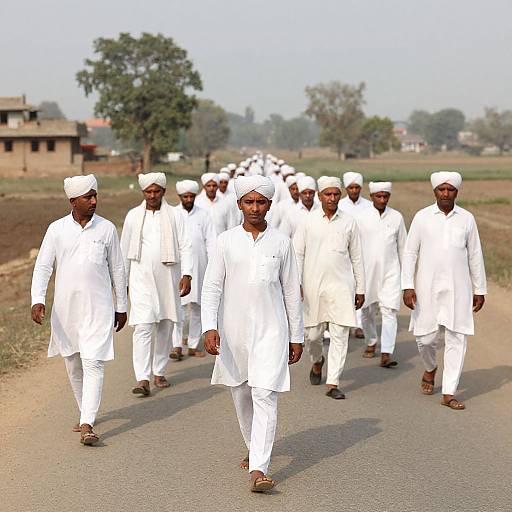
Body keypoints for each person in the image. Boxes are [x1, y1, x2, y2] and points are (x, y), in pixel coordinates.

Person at [201, 175, 303, 493]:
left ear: (270, 205)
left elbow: (291, 293)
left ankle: (259, 468)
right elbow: (212, 286)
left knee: (264, 395)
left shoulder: (282, 243)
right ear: (240, 204)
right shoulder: (226, 241)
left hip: (272, 332)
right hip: (233, 333)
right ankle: (253, 446)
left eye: (261, 202)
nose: (255, 207)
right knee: (242, 393)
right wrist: (209, 327)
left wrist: (296, 336)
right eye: (249, 201)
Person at [31, 174, 127, 445]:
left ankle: (87, 423)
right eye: (88, 197)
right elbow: (43, 266)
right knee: (73, 362)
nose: (94, 201)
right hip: (66, 310)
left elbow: (117, 269)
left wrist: (122, 305)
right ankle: (85, 410)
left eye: (95, 195)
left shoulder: (107, 229)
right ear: (73, 200)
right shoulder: (57, 229)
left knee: (93, 362)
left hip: (99, 309)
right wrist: (37, 299)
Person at [402, 171, 487, 410]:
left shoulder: (467, 219)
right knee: (425, 338)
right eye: (442, 189)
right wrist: (407, 285)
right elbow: (410, 253)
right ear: (435, 191)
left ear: (457, 192)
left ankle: (449, 392)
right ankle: (430, 368)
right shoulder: (422, 217)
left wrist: (480, 288)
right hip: (426, 286)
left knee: (457, 337)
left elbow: (475, 255)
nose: (446, 193)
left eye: (450, 190)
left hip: (458, 287)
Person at [120, 172, 193, 396]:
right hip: (140, 277)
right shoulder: (133, 215)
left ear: (163, 191)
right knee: (142, 326)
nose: (152, 195)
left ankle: (159, 371)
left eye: (156, 191)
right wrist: (122, 280)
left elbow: (185, 245)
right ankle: (142, 378)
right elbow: (124, 249)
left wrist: (187, 274)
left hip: (168, 276)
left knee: (165, 324)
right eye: (148, 192)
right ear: (143, 192)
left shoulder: (175, 215)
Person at [294, 176, 365, 399]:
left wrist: (360, 288)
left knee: (340, 334)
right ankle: (317, 361)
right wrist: (296, 283)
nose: (332, 198)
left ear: (340, 195)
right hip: (313, 287)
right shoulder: (308, 221)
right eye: (328, 194)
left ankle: (332, 382)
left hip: (342, 287)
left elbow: (357, 257)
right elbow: (297, 253)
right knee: (313, 336)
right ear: (319, 195)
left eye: (336, 194)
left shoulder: (349, 221)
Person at [357, 182, 407, 367]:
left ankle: (387, 351)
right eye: (379, 196)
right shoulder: (361, 218)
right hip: (367, 272)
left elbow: (404, 248)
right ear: (372, 197)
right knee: (367, 310)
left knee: (389, 311)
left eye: (386, 196)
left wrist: (407, 278)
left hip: (391, 273)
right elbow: (354, 248)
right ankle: (371, 341)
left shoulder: (396, 217)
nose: (382, 200)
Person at [171, 179, 216, 360]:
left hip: (200, 265)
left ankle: (193, 344)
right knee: (178, 306)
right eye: (185, 196)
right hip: (178, 266)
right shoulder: (172, 214)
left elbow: (211, 241)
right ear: (180, 196)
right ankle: (176, 345)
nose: (188, 199)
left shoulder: (204, 215)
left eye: (191, 196)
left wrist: (213, 265)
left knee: (197, 306)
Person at [339, 171, 371, 339]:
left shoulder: (369, 205)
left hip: (363, 250)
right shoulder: (340, 206)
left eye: (357, 187)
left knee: (360, 285)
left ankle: (358, 324)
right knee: (346, 286)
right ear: (346, 188)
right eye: (351, 187)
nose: (354, 190)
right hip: (343, 252)